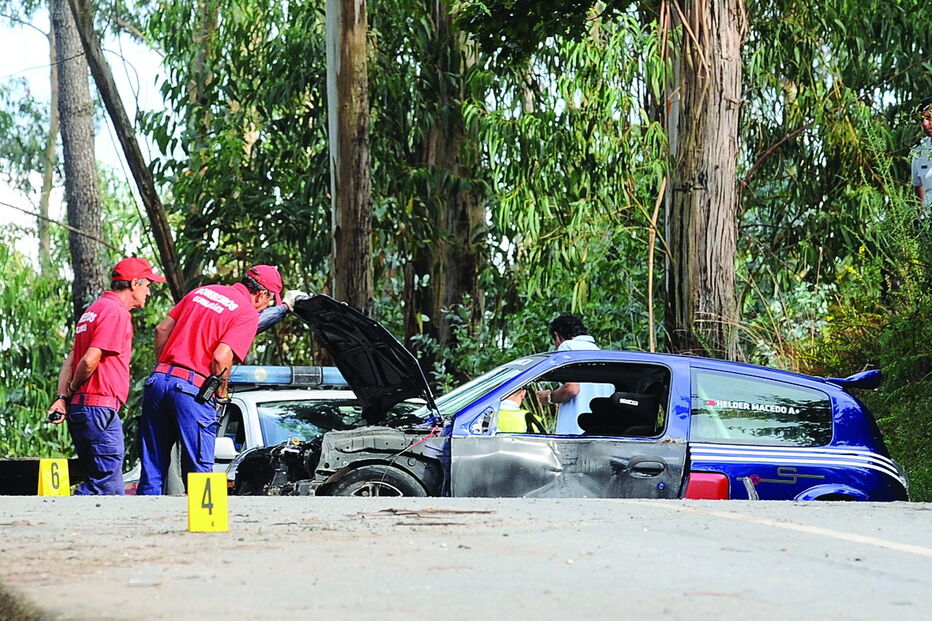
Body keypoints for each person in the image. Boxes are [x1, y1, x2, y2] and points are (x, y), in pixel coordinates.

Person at [136, 264, 284, 495]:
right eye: (269, 301)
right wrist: (221, 391)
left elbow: (162, 330)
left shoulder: (202, 292)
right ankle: (205, 529)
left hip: (158, 383)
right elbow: (221, 357)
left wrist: (165, 367)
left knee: (153, 470)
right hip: (191, 391)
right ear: (262, 294)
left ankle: (145, 527)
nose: (266, 306)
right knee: (200, 474)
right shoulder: (246, 313)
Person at [47, 257, 166, 494]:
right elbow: (89, 359)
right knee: (106, 486)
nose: (149, 292)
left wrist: (62, 396)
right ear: (134, 284)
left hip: (86, 409)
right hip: (97, 407)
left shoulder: (94, 310)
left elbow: (71, 359)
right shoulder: (115, 313)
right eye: (147, 285)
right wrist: (72, 387)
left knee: (100, 480)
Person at [535, 314, 613, 435]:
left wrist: (549, 397)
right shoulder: (600, 353)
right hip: (599, 431)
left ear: (557, 336)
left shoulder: (567, 347)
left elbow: (571, 388)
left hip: (574, 431)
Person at [912, 97, 932, 208]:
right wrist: (919, 217)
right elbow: (918, 185)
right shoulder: (920, 150)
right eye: (922, 119)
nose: (924, 124)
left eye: (929, 118)